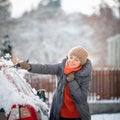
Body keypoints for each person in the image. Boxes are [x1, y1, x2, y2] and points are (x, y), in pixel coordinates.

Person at [17, 46, 92, 120]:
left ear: (81, 63)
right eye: (71, 57)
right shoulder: (61, 68)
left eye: (76, 60)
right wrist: (29, 67)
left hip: (77, 116)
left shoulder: (84, 76)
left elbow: (82, 99)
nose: (72, 61)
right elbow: (46, 68)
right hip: (59, 114)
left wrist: (72, 81)